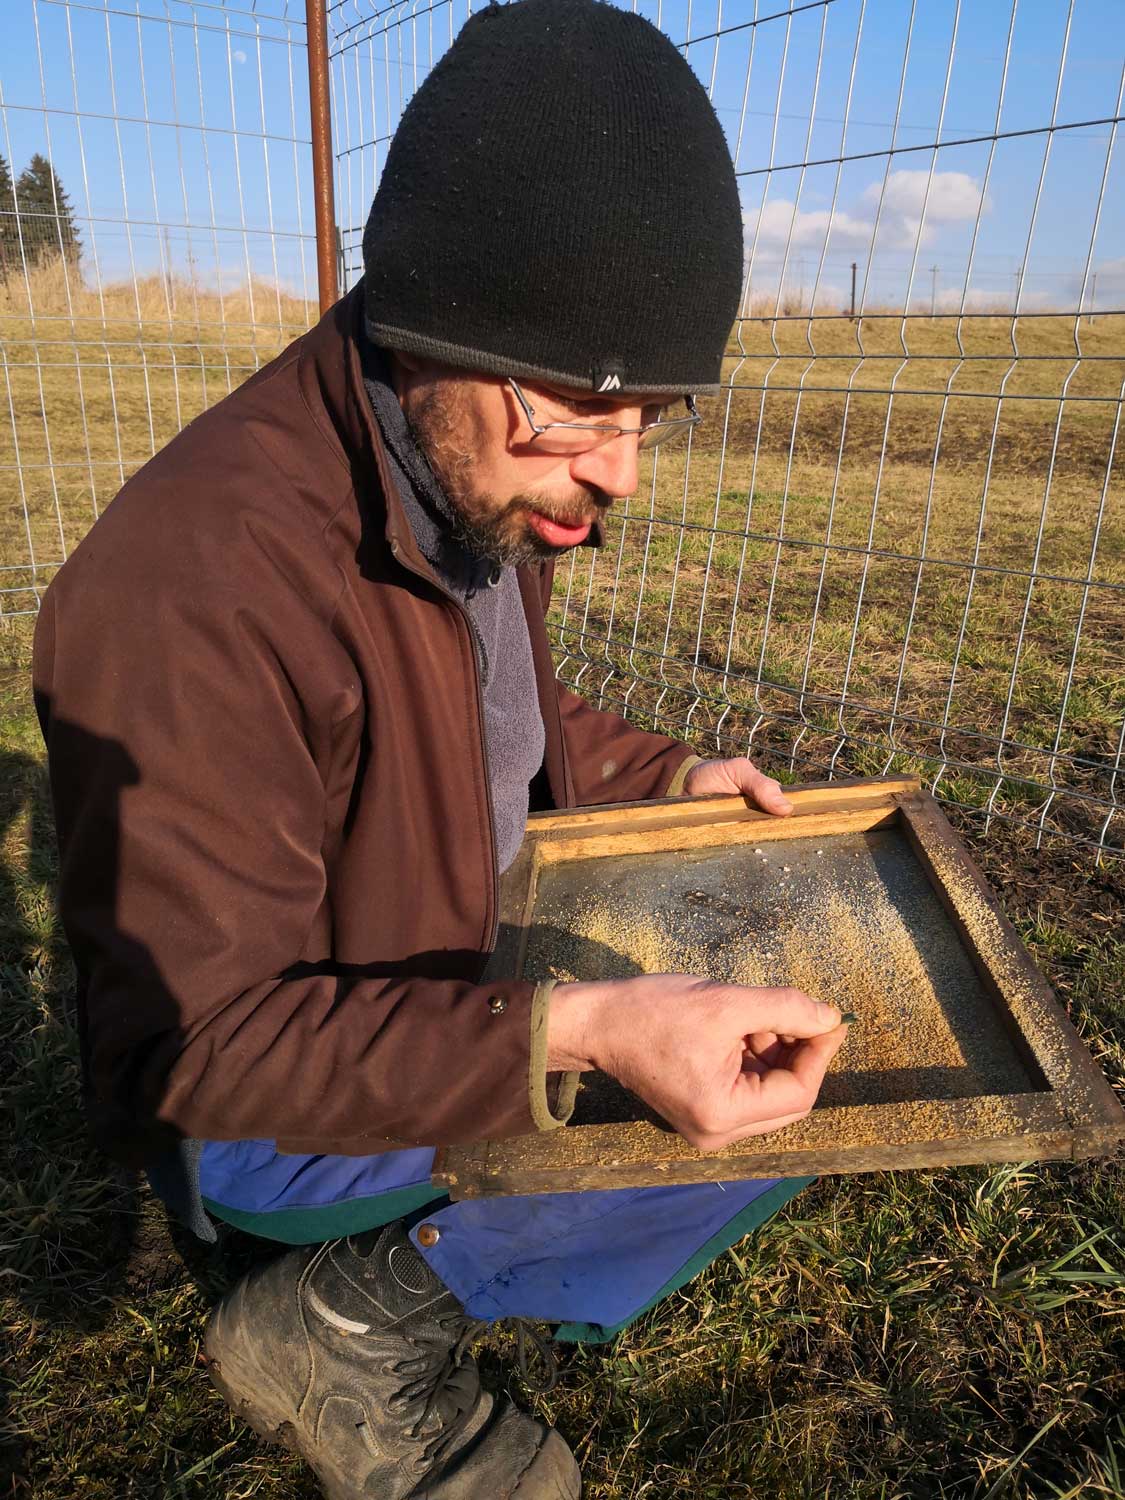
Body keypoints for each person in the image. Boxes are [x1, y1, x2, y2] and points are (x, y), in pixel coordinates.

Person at [33, 2, 848, 1495]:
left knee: (796, 1046)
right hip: (262, 1123)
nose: (610, 472)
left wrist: (666, 775)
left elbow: (480, 715)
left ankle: (431, 1250)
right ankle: (348, 1317)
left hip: (447, 971)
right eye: (579, 415)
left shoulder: (459, 456)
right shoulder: (194, 591)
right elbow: (197, 1048)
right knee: (728, 1104)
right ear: (442, 329)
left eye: (648, 419)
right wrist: (581, 1035)